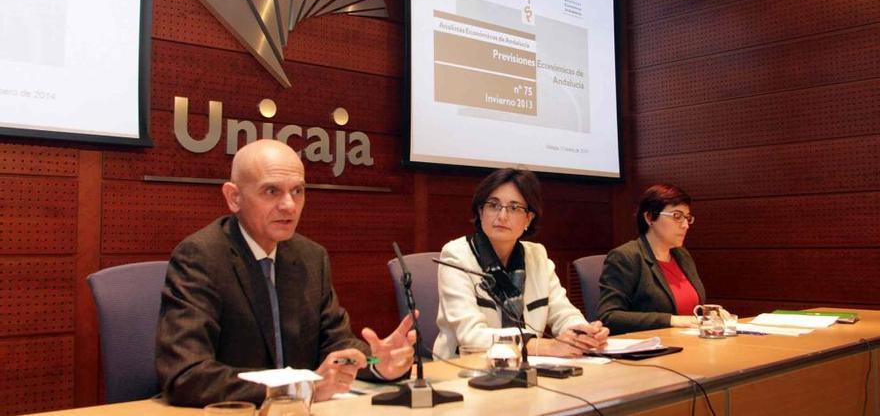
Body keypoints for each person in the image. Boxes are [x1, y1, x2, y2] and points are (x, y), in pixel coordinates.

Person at [156, 139, 415, 406]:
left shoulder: (310, 257)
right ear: (234, 197)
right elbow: (186, 375)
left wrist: (376, 362)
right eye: (271, 191)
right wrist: (296, 388)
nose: (289, 206)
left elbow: (336, 346)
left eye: (298, 191)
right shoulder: (202, 256)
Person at [434, 168, 609, 360]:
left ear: (529, 218)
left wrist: (583, 333)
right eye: (493, 205)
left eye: (514, 208)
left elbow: (563, 313)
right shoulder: (456, 256)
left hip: (529, 366)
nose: (502, 216)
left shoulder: (537, 257)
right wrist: (545, 346)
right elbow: (471, 337)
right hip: (466, 369)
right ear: (480, 211)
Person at [597, 183, 706, 335]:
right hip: (650, 349)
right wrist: (671, 320)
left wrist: (710, 315)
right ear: (650, 217)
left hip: (688, 343)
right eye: (677, 216)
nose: (685, 225)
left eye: (687, 218)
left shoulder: (682, 255)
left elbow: (693, 310)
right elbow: (609, 317)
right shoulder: (626, 257)